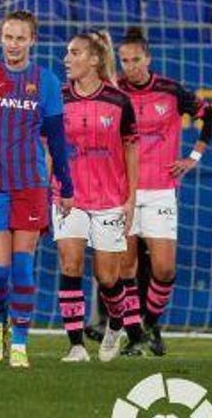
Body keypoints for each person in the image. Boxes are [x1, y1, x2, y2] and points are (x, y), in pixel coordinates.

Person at [0, 10, 73, 370]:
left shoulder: (46, 81)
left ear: (32, 41)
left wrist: (66, 186)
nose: (14, 45)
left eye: (20, 38)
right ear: (0, 39)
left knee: (22, 270)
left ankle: (21, 344)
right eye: (8, 37)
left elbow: (57, 138)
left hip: (31, 185)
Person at [116, 28, 212, 357]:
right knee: (126, 268)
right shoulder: (113, 91)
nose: (130, 66)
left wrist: (193, 157)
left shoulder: (171, 91)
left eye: (136, 60)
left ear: (148, 59)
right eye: (124, 60)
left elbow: (211, 116)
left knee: (164, 269)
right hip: (123, 192)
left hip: (161, 190)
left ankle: (151, 325)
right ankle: (135, 337)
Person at [54, 30, 145, 363]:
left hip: (109, 197)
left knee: (107, 277)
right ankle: (76, 345)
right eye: (67, 52)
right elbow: (49, 146)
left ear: (93, 59)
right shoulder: (58, 97)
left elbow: (131, 148)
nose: (67, 59)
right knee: (70, 263)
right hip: (69, 196)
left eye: (74, 53)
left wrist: (131, 197)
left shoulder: (118, 101)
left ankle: (116, 325)